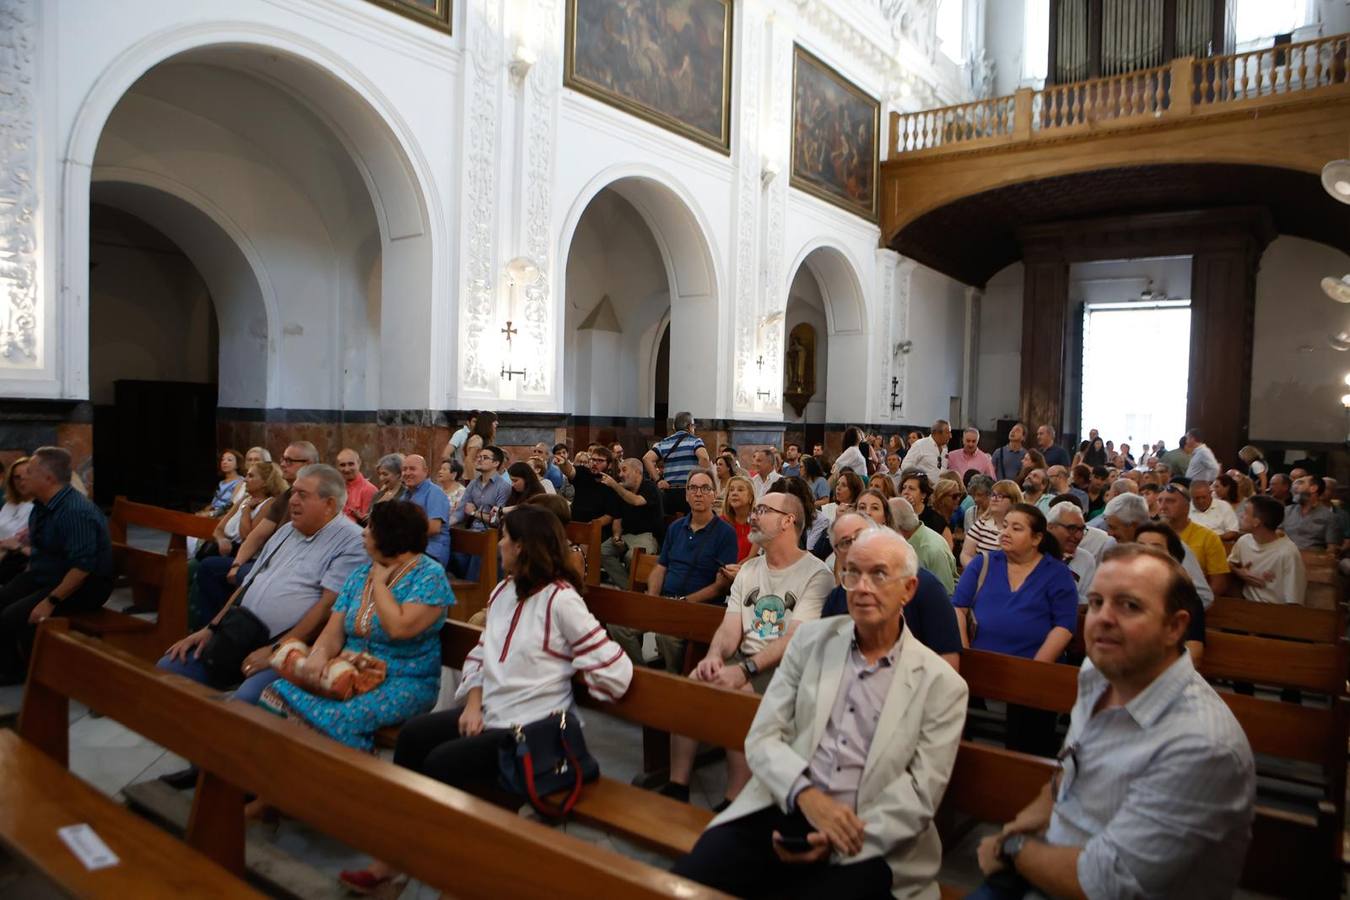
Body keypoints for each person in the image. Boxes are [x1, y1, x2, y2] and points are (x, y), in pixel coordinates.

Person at [340, 505, 632, 895]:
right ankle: (399, 857)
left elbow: (615, 671)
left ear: (525, 547)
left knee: (443, 762)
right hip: (491, 711)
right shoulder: (503, 591)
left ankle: (449, 871)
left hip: (533, 726)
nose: (501, 544)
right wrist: (474, 702)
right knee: (414, 736)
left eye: (507, 538)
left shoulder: (561, 600)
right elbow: (480, 653)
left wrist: (578, 673)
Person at [673, 528, 967, 899]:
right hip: (786, 799)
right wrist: (804, 794)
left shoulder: (941, 683)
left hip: (870, 833)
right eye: (852, 572)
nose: (861, 586)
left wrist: (835, 834)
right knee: (691, 877)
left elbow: (919, 794)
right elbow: (764, 736)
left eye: (878, 574)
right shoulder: (811, 642)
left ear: (908, 590)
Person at [972, 544, 1254, 900]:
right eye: (1096, 602)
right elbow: (1071, 768)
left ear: (1175, 626)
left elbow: (1105, 884)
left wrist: (1010, 850)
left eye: (1129, 605)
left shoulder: (1200, 745)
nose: (1103, 618)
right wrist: (1020, 827)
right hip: (1046, 863)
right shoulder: (1100, 670)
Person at [661, 493, 833, 810]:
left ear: (787, 520)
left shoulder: (817, 575)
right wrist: (714, 656)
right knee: (691, 687)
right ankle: (677, 786)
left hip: (789, 668)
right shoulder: (750, 569)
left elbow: (794, 639)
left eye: (764, 510)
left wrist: (743, 670)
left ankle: (734, 799)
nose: (754, 515)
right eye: (755, 510)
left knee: (738, 701)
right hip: (745, 657)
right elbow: (730, 628)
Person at [158, 464, 367, 704]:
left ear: (329, 504)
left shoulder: (351, 542)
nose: (292, 501)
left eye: (302, 495)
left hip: (291, 648)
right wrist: (211, 628)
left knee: (245, 703)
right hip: (240, 633)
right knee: (169, 667)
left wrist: (276, 650)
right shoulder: (288, 530)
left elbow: (326, 608)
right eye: (293, 492)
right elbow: (248, 583)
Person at [258, 500, 454, 751]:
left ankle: (346, 786)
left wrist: (381, 585)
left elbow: (398, 628)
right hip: (348, 672)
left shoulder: (430, 576)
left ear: (391, 534)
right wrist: (318, 656)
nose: (363, 532)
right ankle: (284, 781)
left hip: (402, 681)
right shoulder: (360, 574)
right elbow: (333, 631)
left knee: (336, 718)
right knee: (276, 692)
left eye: (371, 527)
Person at [952, 503, 1077, 756]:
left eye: (1016, 528)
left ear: (1037, 538)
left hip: (1034, 673)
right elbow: (958, 609)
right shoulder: (983, 564)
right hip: (981, 666)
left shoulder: (1057, 574)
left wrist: (1033, 669)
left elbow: (1064, 626)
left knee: (1027, 741)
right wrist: (966, 653)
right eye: (1005, 525)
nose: (1005, 532)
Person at [0, 447, 115, 683]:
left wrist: (49, 602)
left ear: (48, 478)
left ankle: (29, 675)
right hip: (49, 575)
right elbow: (43, 549)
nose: (23, 478)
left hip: (84, 585)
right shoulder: (42, 505)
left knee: (14, 616)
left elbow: (83, 567)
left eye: (30, 472)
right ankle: (12, 667)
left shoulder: (74, 511)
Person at [195, 442, 319, 621]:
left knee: (221, 570)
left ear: (307, 464)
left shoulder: (313, 495)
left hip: (286, 567)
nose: (283, 464)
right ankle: (215, 626)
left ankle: (224, 626)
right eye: (283, 459)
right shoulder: (284, 497)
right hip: (265, 560)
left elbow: (252, 535)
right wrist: (236, 564)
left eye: (289, 461)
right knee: (207, 567)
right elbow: (256, 535)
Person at [821, 513, 961, 669]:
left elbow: (948, 660)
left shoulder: (925, 586)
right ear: (837, 553)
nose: (856, 544)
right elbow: (825, 658)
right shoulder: (837, 597)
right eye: (846, 542)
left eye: (862, 535)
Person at [631, 468, 737, 672]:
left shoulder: (725, 533)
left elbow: (720, 587)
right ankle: (639, 673)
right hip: (665, 601)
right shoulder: (676, 527)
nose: (699, 493)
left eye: (705, 488)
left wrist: (684, 602)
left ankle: (673, 681)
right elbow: (661, 568)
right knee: (620, 627)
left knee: (666, 636)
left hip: (698, 608)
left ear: (714, 494)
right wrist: (653, 598)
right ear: (686, 495)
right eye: (693, 488)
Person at [1103, 493, 1214, 608]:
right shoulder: (1113, 545)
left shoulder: (1170, 546)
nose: (1109, 533)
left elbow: (1203, 596)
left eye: (1113, 527)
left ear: (1133, 525)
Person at [599, 458, 665, 590]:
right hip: (626, 535)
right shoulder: (622, 491)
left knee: (632, 557)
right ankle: (629, 588)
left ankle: (633, 590)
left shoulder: (649, 487)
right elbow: (617, 519)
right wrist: (617, 536)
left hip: (646, 535)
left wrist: (615, 485)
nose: (620, 475)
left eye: (624, 470)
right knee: (601, 551)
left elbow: (636, 501)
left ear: (637, 472)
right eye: (619, 471)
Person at [1228, 495, 1307, 605]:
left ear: (1256, 522)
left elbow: (1294, 601)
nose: (1241, 515)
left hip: (1274, 611)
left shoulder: (1288, 553)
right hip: (1246, 606)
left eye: (1246, 513)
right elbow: (1230, 563)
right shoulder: (1244, 541)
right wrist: (1240, 573)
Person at [1157, 483, 1231, 597]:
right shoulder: (1150, 534)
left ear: (1187, 506)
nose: (1162, 507)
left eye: (1170, 501)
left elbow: (1219, 584)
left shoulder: (1208, 538)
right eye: (1159, 501)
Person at [645, 412, 713, 517]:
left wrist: (658, 480)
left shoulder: (664, 442)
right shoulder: (695, 441)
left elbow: (647, 458)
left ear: (674, 427)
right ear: (690, 426)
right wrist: (703, 479)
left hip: (669, 492)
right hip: (689, 491)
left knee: (671, 523)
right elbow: (704, 458)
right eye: (693, 426)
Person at [890, 498, 958, 595]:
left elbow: (945, 594)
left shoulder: (932, 550)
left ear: (897, 526)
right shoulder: (906, 541)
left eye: (886, 523)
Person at [401, 454, 451, 568]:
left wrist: (402, 534)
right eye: (404, 469)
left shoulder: (435, 493)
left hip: (430, 553)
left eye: (412, 469)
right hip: (410, 550)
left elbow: (433, 528)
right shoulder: (405, 495)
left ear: (425, 471)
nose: (407, 473)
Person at [1046, 500, 1096, 604]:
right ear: (1050, 527)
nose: (1078, 536)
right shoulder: (1031, 555)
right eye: (1071, 528)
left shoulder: (1086, 560)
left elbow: (1087, 604)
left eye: (1081, 529)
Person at [452, 445, 511, 532]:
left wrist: (474, 513)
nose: (479, 460)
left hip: (489, 535)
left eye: (485, 457)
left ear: (496, 463)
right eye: (479, 457)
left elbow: (497, 520)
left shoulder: (503, 487)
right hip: (470, 531)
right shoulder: (473, 484)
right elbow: (460, 512)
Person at [560, 445, 620, 530]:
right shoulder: (583, 472)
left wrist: (590, 527)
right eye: (593, 460)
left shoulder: (612, 484)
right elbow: (570, 472)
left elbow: (609, 516)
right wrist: (563, 462)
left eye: (600, 460)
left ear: (609, 465)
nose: (595, 463)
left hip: (597, 530)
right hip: (575, 524)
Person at [962, 478, 1018, 565]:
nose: (994, 499)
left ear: (1013, 500)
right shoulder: (981, 524)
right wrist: (977, 573)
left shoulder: (1020, 528)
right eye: (993, 495)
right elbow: (966, 554)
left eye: (1000, 496)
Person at [1282, 475, 1342, 552]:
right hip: (1285, 558)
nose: (1294, 487)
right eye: (1294, 484)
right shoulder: (1286, 511)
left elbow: (1332, 549)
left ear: (1313, 488)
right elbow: (1277, 536)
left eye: (1300, 483)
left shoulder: (1329, 517)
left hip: (1312, 560)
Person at [0, 457, 34, 585]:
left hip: (17, 560)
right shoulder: (10, 503)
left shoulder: (40, 506)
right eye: (17, 477)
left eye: (27, 475)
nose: (21, 481)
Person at [899, 471, 951, 548]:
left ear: (923, 495)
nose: (906, 492)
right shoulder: (896, 515)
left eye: (911, 489)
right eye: (904, 488)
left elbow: (947, 547)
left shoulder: (936, 520)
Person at [336, 448, 378, 525]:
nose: (347, 469)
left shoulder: (369, 490)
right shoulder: (336, 488)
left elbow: (370, 525)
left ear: (359, 463)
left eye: (351, 464)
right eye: (342, 465)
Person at [721, 474, 757, 562]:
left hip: (749, 572)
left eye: (740, 490)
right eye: (731, 490)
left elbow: (752, 557)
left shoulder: (759, 523)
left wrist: (737, 570)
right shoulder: (720, 523)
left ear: (750, 498)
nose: (734, 493)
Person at [201, 449, 246, 517]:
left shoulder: (240, 481)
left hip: (224, 514)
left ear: (237, 465)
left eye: (229, 460)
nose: (224, 462)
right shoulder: (221, 482)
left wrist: (211, 514)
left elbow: (231, 505)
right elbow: (215, 502)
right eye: (222, 460)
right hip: (213, 511)